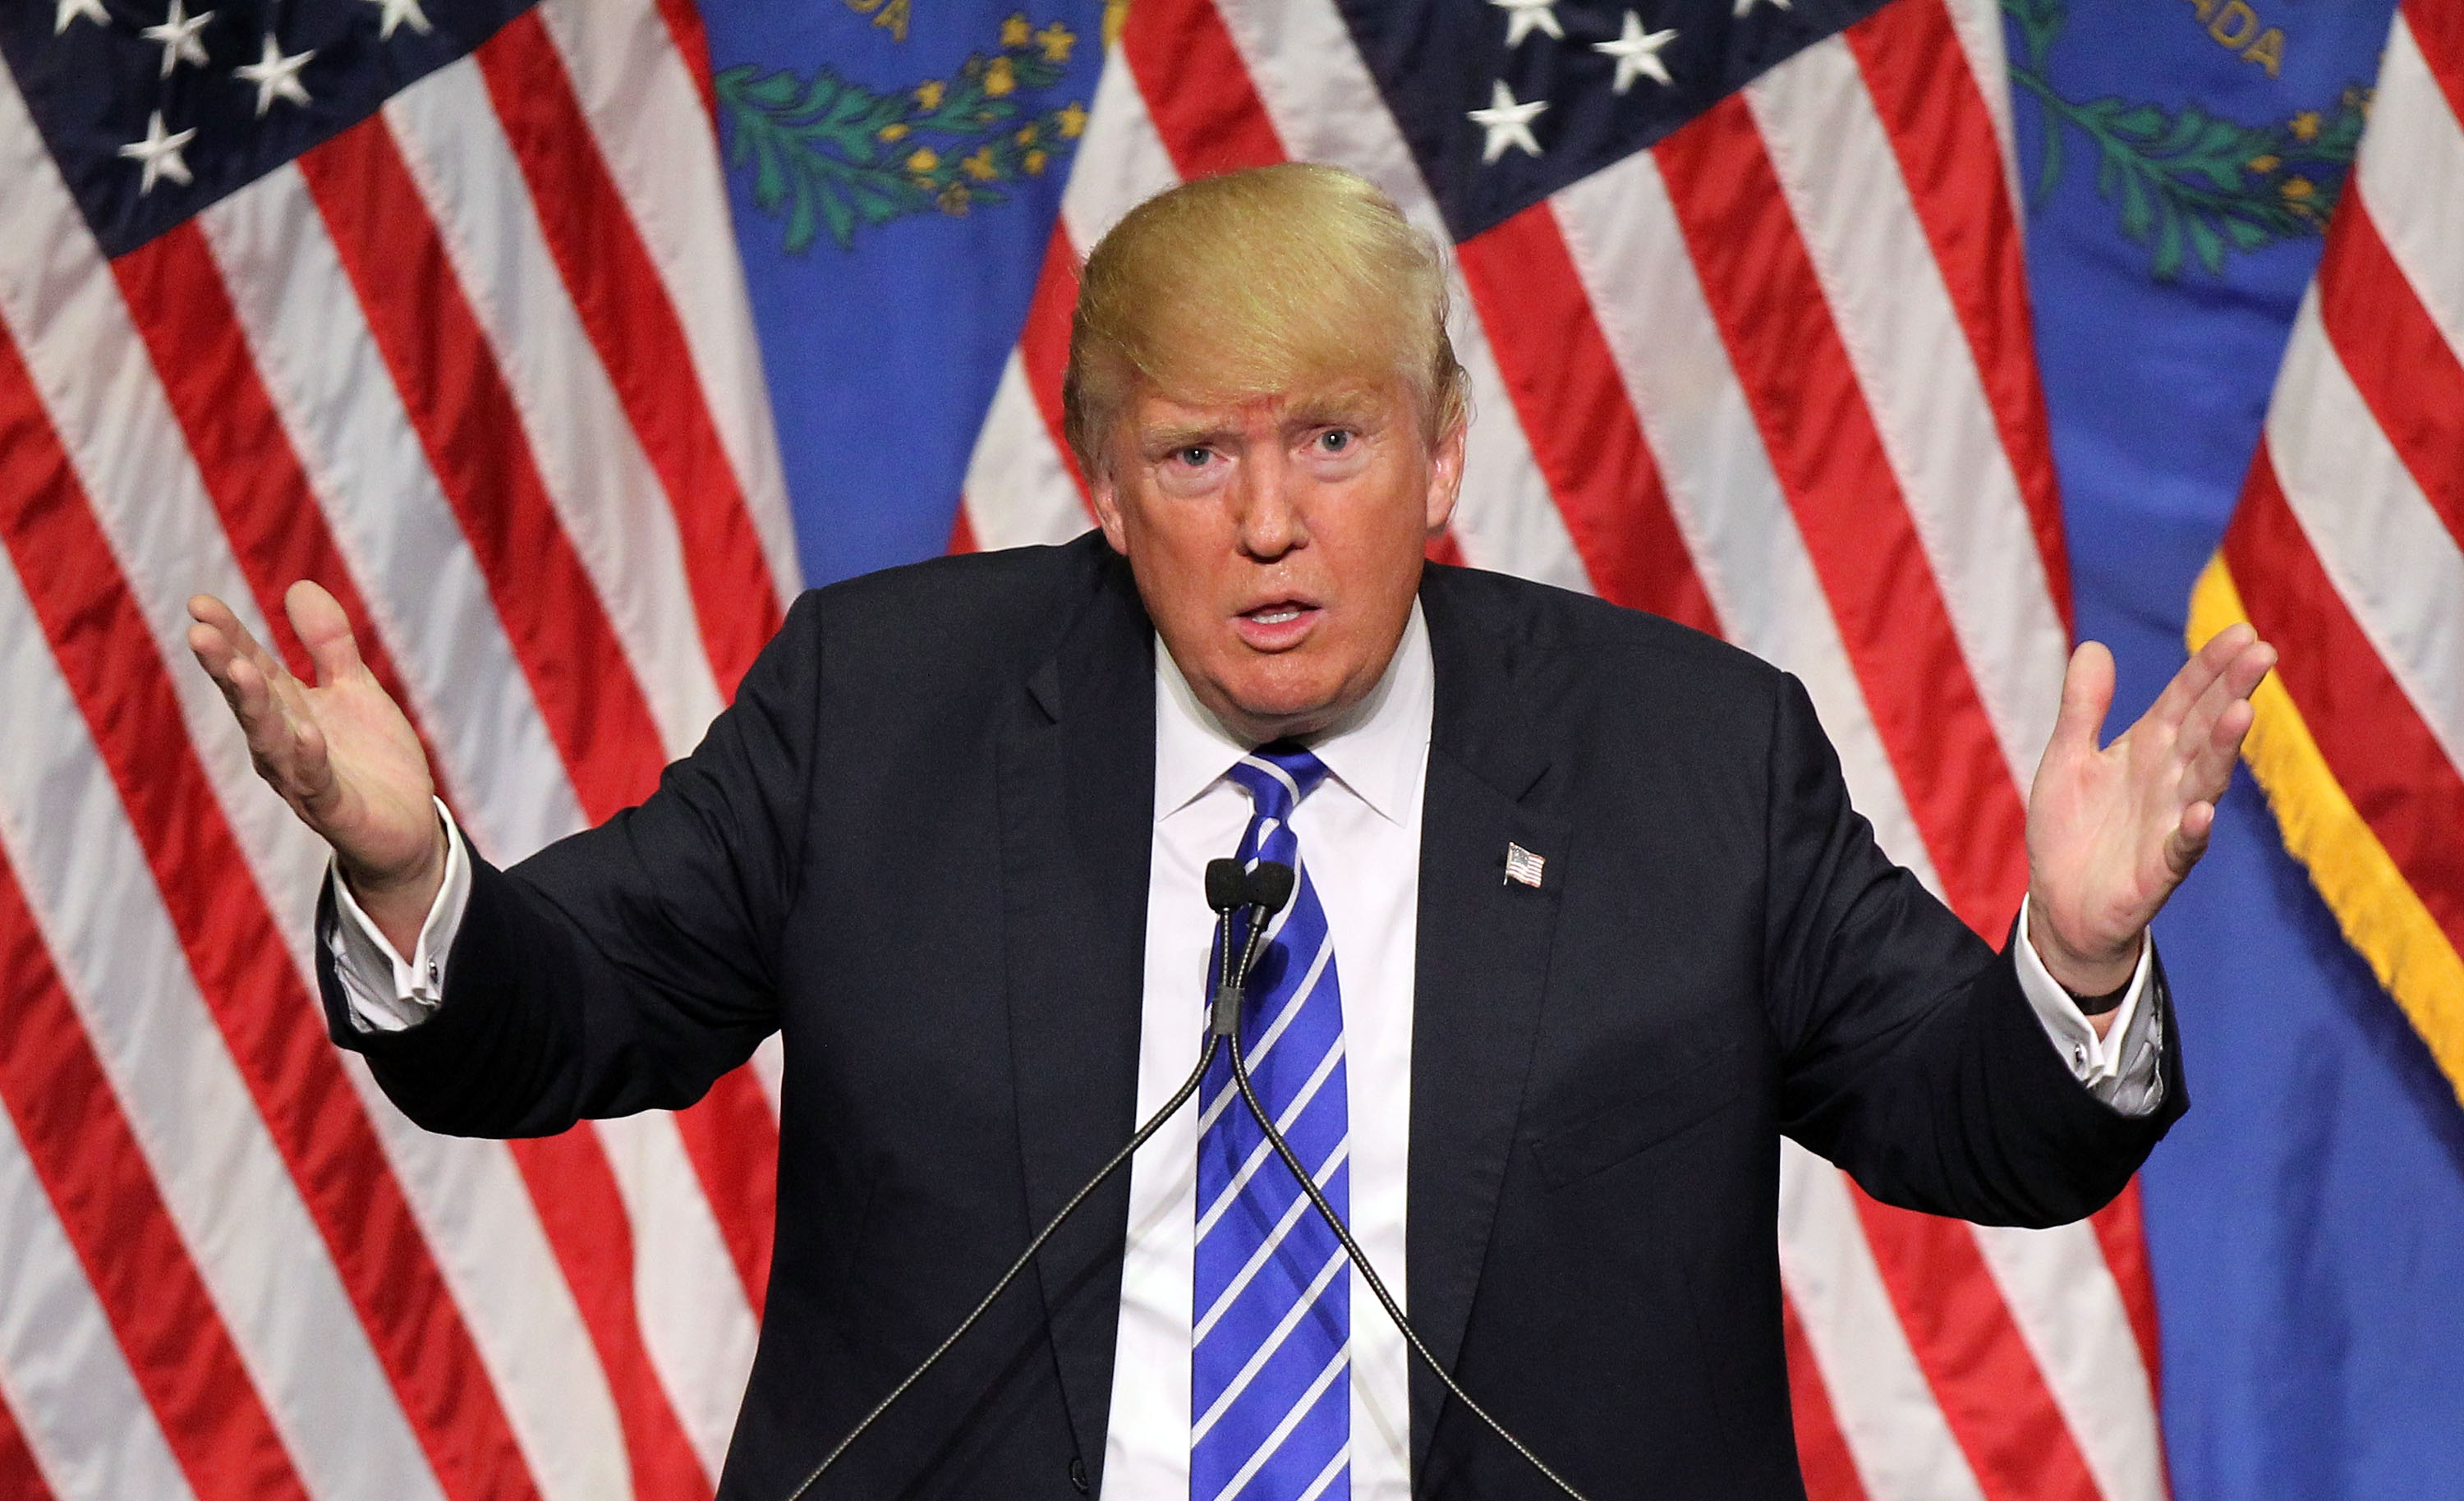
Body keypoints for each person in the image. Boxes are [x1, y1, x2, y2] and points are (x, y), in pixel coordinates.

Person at [188, 163, 2274, 1501]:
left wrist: (2074, 966)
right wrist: (408, 869)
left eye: (1333, 441)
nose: (1270, 522)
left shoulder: (1687, 755)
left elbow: (1969, 1114)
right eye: (1195, 454)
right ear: (1101, 482)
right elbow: (566, 1018)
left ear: (1444, 450)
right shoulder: (884, 707)